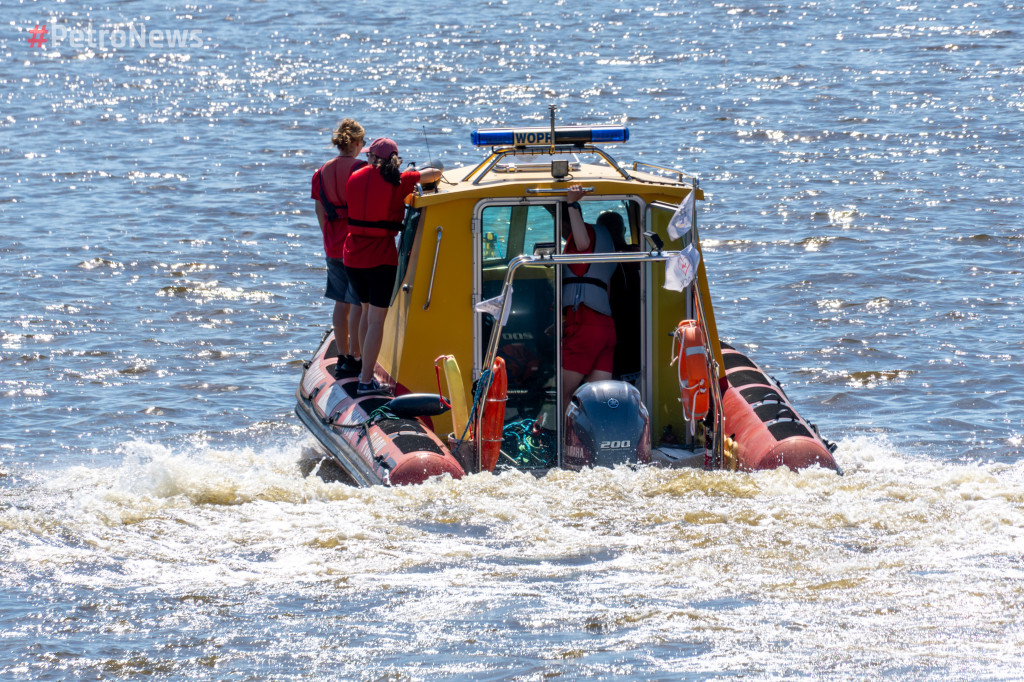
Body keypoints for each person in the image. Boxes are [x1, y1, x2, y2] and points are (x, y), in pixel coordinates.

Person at [343, 137, 443, 396]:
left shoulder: (353, 177)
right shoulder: (399, 181)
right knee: (377, 320)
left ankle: (364, 373)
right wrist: (412, 172)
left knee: (365, 312)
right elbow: (436, 171)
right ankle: (366, 381)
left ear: (372, 158)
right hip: (380, 259)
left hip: (352, 257)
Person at [311, 118, 366, 377]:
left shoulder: (321, 171)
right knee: (357, 303)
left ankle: (342, 355)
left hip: (332, 243)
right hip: (356, 243)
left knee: (340, 303)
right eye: (362, 143)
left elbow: (319, 208)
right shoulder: (361, 169)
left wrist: (327, 234)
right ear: (355, 143)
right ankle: (357, 356)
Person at [560, 184, 621, 413]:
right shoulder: (606, 240)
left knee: (564, 393)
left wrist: (572, 204)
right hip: (606, 328)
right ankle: (598, 445)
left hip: (584, 327)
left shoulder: (582, 239)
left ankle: (561, 444)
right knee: (599, 399)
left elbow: (583, 243)